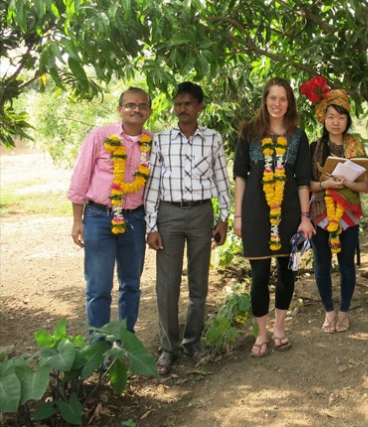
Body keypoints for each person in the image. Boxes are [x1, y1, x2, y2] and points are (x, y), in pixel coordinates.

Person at [144, 82, 231, 376]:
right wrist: (152, 225)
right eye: (178, 104)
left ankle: (193, 343)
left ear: (200, 107)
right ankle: (168, 349)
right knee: (167, 286)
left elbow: (221, 179)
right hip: (168, 215)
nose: (183, 109)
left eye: (189, 104)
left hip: (201, 214)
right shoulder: (161, 140)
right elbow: (153, 183)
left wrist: (224, 218)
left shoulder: (213, 139)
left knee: (199, 284)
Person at [233, 77, 315, 358]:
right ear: (265, 100)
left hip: (290, 213)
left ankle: (279, 328)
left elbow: (303, 179)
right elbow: (240, 176)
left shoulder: (298, 136)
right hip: (256, 213)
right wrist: (238, 214)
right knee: (258, 277)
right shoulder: (249, 133)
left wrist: (305, 217)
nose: (277, 104)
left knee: (287, 272)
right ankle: (262, 333)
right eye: (272, 98)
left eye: (283, 99)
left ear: (289, 102)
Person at [68, 87, 153, 335]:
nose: (136, 109)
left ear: (148, 112)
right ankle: (100, 346)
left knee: (131, 285)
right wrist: (77, 221)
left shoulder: (152, 142)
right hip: (98, 218)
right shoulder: (100, 136)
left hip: (135, 219)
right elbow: (81, 177)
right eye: (130, 105)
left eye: (142, 106)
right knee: (98, 287)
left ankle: (125, 342)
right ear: (120, 109)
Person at [300, 76, 368, 333]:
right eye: (330, 116)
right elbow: (307, 184)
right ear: (323, 118)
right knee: (321, 264)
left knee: (346, 265)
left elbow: (365, 185)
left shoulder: (356, 146)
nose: (335, 121)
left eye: (341, 117)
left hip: (348, 214)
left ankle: (344, 312)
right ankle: (329, 311)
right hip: (320, 213)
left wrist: (346, 184)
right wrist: (325, 186)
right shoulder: (314, 147)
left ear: (348, 120)